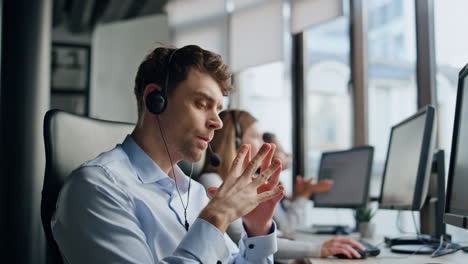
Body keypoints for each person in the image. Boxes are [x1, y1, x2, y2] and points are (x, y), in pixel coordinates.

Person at [51, 45, 286, 263]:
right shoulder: (97, 188)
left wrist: (257, 230)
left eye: (218, 110)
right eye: (202, 104)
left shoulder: (195, 193)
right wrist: (216, 218)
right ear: (156, 100)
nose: (217, 123)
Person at [199, 109, 365, 260]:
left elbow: (263, 236)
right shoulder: (212, 182)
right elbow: (242, 238)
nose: (263, 145)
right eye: (257, 137)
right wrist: (318, 249)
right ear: (235, 142)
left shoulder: (248, 183)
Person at [262, 132, 334, 235]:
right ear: (266, 157)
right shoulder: (264, 189)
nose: (288, 155)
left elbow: (290, 221)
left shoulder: (275, 184)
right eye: (281, 151)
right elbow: (289, 229)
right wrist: (306, 193)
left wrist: (298, 195)